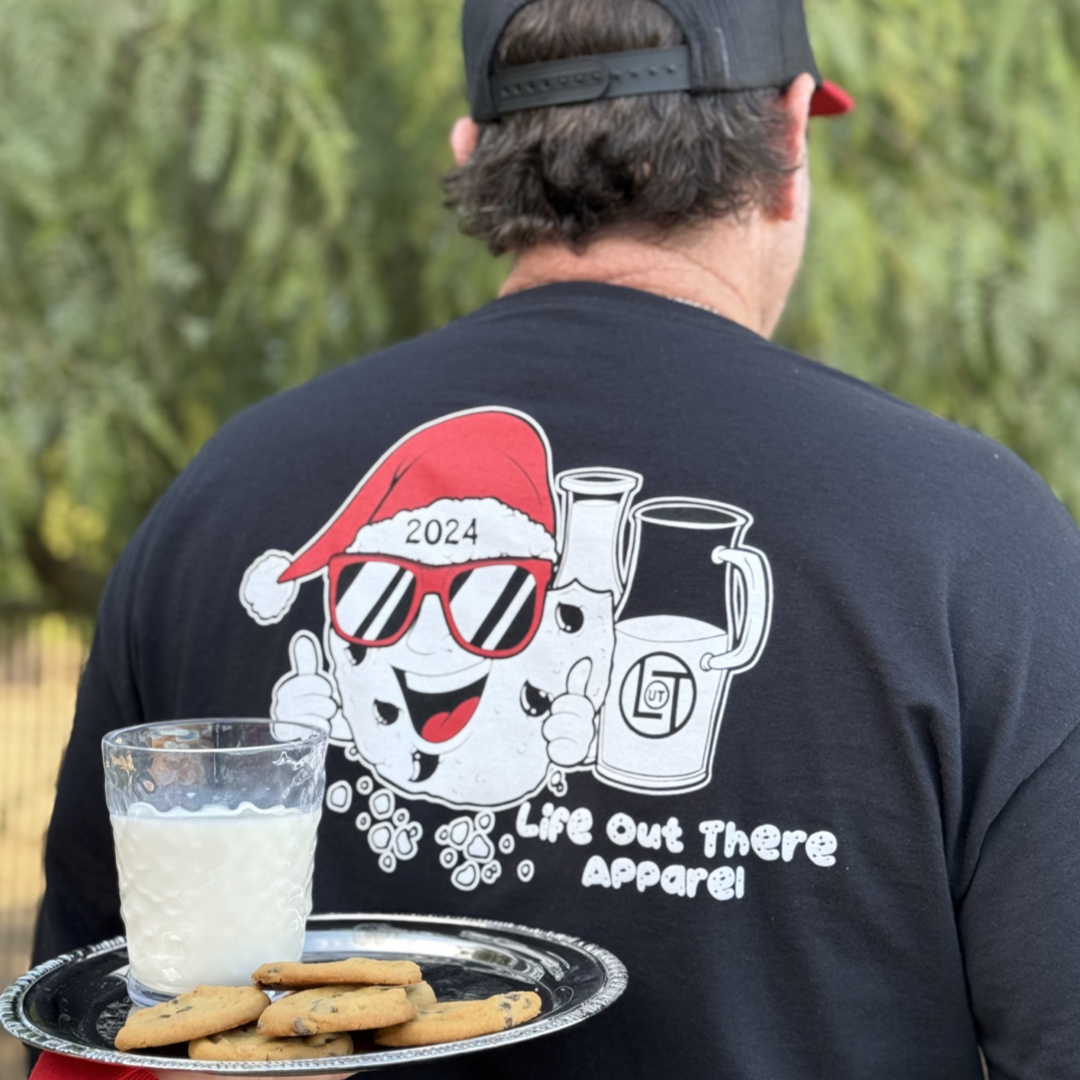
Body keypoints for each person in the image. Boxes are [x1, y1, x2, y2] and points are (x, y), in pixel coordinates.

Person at [28, 0, 1080, 1077]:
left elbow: (92, 1031)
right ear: (795, 131)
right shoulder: (974, 533)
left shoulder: (219, 497)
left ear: (473, 147)